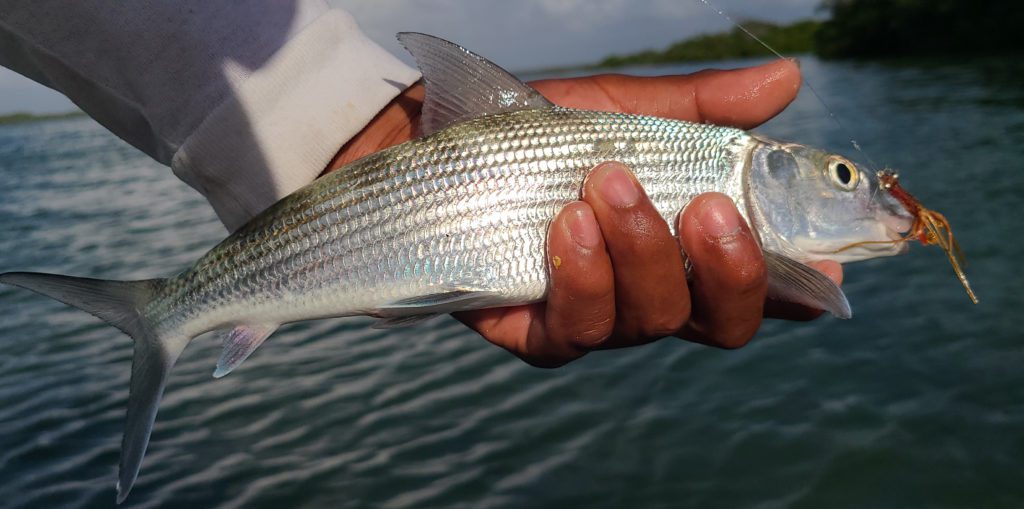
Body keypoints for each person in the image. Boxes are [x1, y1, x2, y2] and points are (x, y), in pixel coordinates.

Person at [0, 2, 841, 368]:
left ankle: (176, 310)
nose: (860, 189)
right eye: (843, 176)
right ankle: (164, 314)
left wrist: (316, 107)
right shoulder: (727, 155)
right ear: (772, 168)